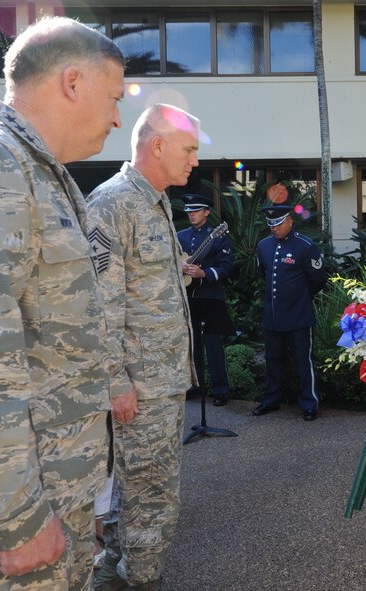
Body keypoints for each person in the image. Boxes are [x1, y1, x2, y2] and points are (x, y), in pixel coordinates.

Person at [0, 17, 124, 590]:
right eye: (114, 97)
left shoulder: (42, 172)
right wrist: (17, 518)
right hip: (8, 528)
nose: (117, 117)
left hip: (58, 493)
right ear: (73, 82)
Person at [87, 103, 198, 590]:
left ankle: (110, 573)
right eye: (189, 149)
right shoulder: (112, 204)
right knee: (153, 496)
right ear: (158, 145)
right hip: (140, 386)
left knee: (134, 492)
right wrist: (116, 383)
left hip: (163, 379)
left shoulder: (155, 200)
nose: (195, 159)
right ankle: (142, 580)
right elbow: (100, 307)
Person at [253, 191, 328, 421]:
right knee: (273, 360)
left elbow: (318, 279)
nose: (274, 228)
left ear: (290, 221)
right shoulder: (264, 246)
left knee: (302, 362)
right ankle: (271, 399)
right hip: (273, 316)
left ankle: (309, 403)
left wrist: (301, 298)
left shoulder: (305, 246)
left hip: (298, 315)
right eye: (271, 224)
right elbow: (262, 274)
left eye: (278, 223)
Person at [178, 195, 235, 406]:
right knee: (192, 345)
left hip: (210, 297)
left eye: (196, 210)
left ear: (207, 212)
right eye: (189, 211)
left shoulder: (217, 236)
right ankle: (196, 384)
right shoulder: (180, 236)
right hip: (187, 297)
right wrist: (180, 266)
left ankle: (221, 390)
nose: (191, 214)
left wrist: (205, 273)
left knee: (213, 345)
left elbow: (227, 267)